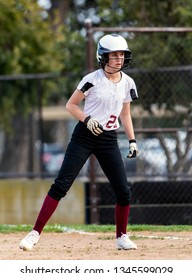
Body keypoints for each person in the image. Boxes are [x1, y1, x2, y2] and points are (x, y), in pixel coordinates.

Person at [19, 33, 139, 251]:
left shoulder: (128, 83)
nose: (120, 58)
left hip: (109, 139)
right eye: (114, 54)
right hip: (85, 136)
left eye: (122, 54)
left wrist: (132, 140)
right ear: (103, 56)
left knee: (123, 191)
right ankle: (34, 234)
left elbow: (126, 114)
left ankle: (122, 237)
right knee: (61, 185)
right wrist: (88, 119)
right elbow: (71, 105)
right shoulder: (92, 79)